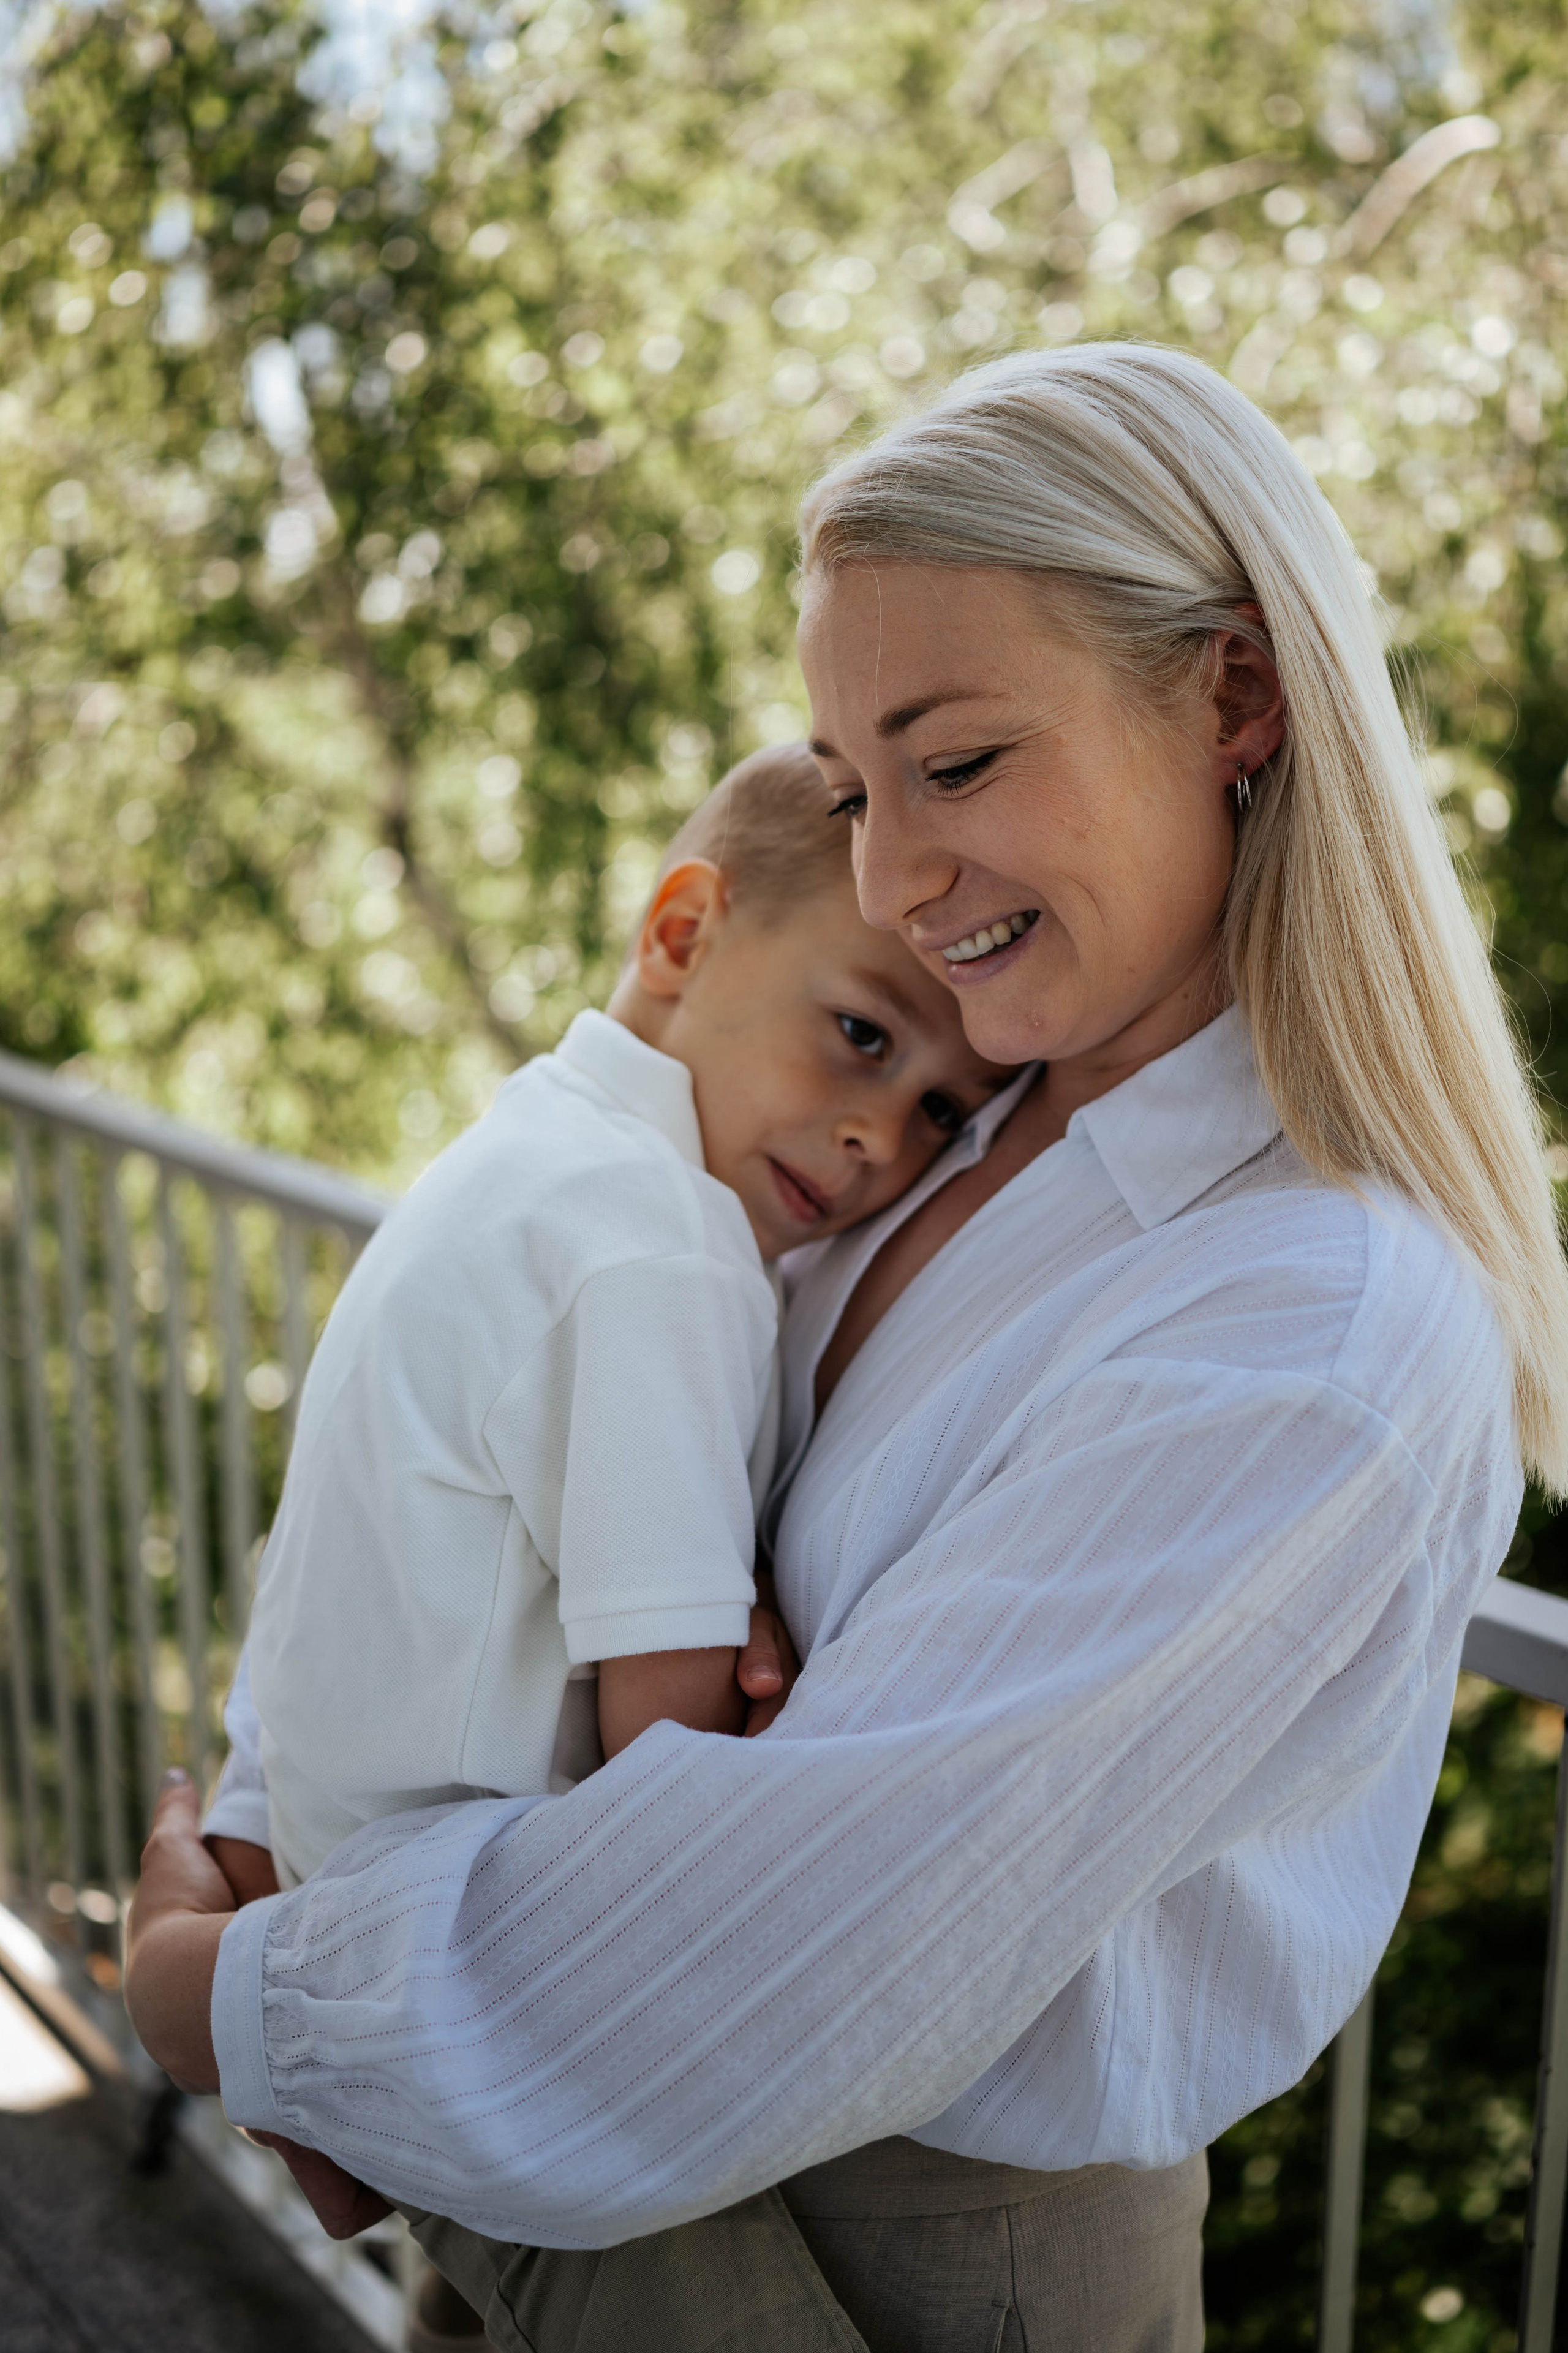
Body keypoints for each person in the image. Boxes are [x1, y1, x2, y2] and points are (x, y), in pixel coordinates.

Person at [127, 342, 1568, 2353]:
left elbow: (793, 1946)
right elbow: (463, 1435)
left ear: (1236, 694)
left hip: (922, 2268)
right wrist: (279, 1826)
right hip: (540, 2146)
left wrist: (239, 1997)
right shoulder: (927, 1117)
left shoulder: (1317, 1321)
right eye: (854, 785)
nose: (895, 875)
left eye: (956, 765)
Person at [222, 741, 1007, 1894]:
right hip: (440, 1927)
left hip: (325, 1869)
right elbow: (672, 1753)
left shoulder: (533, 1146)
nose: (879, 1138)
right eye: (862, 1033)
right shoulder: (659, 1242)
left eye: (941, 1110)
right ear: (683, 934)